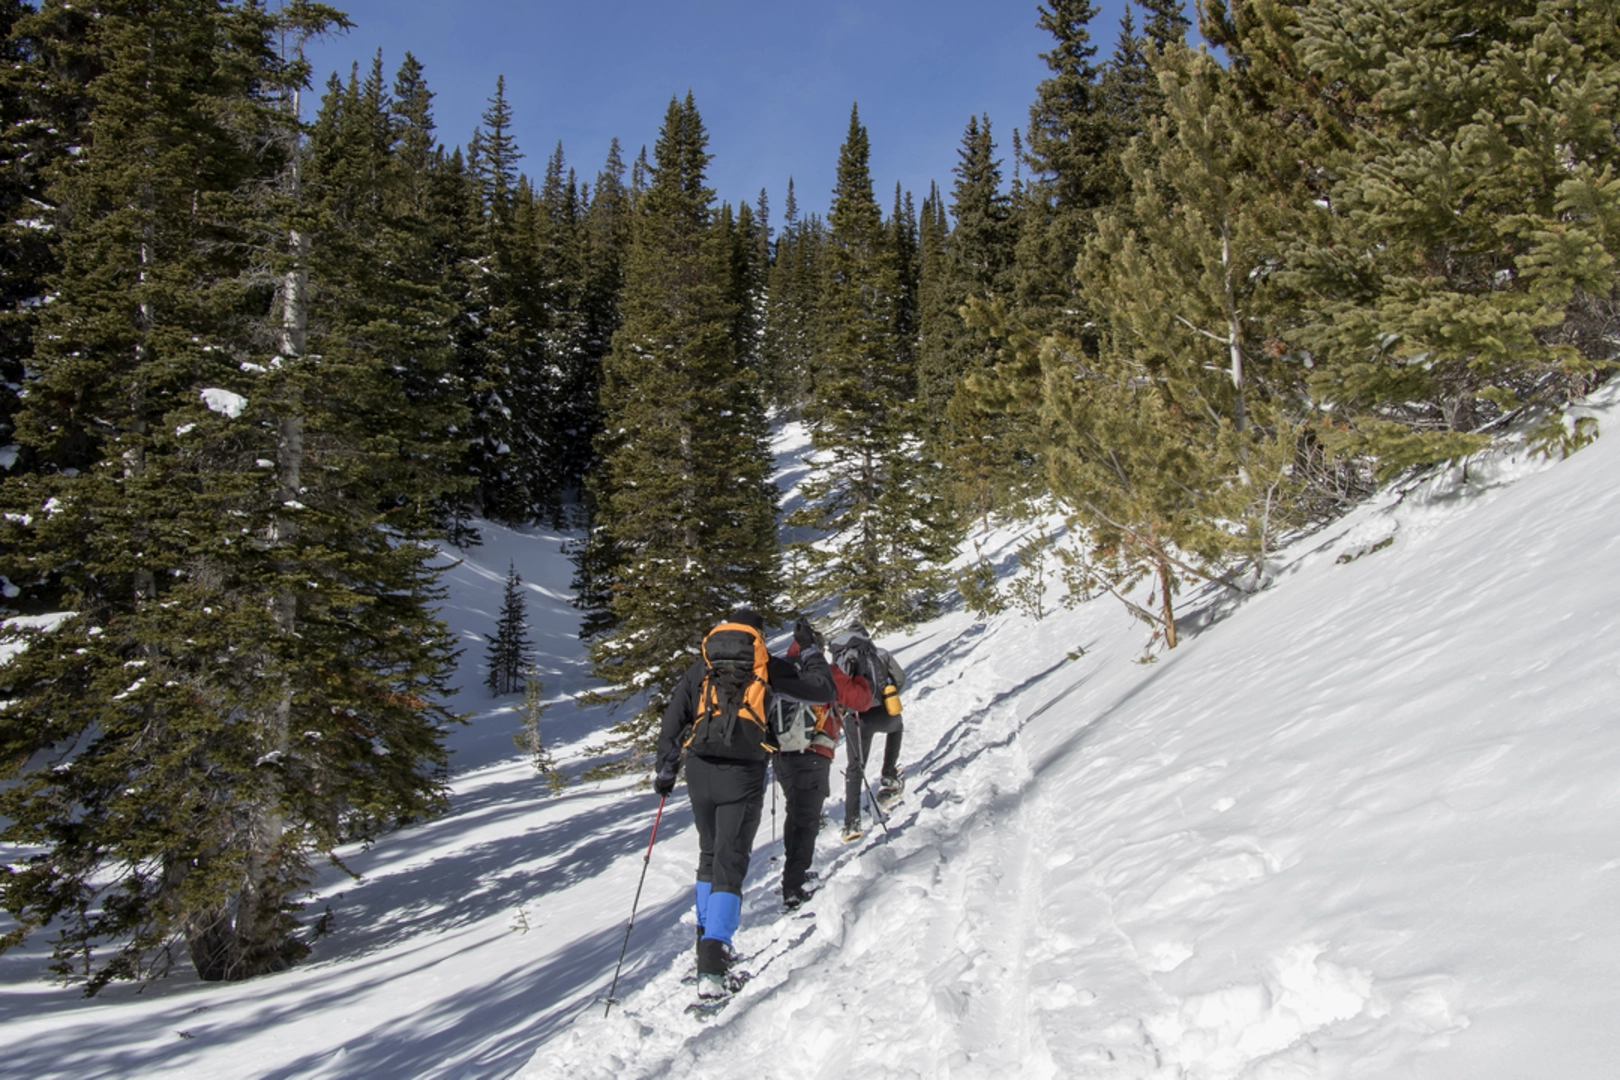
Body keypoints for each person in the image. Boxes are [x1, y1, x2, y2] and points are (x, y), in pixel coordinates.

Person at [654, 607, 834, 999]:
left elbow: (673, 719)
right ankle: (714, 967)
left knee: (708, 855)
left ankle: (705, 949)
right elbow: (823, 691)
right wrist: (809, 650)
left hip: (699, 770)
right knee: (730, 861)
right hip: (743, 772)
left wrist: (665, 772)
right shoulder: (764, 666)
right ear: (756, 635)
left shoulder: (702, 668)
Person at [774, 633, 872, 909]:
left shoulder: (779, 672)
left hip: (782, 755)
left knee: (796, 812)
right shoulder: (824, 672)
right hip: (815, 752)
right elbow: (860, 700)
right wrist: (860, 677)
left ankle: (794, 874)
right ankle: (793, 886)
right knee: (805, 818)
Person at [833, 624, 907, 842]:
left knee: (855, 768)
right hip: (884, 712)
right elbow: (900, 679)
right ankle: (889, 774)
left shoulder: (841, 658)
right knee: (897, 728)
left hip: (856, 718)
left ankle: (851, 822)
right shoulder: (880, 653)